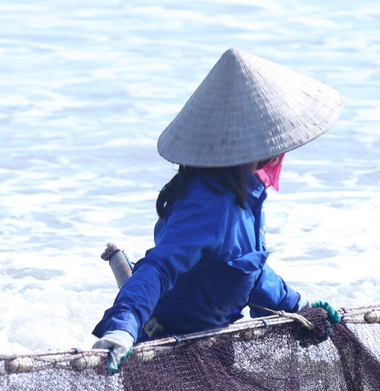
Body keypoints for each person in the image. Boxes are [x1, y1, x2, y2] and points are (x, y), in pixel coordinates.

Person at [91, 48, 342, 370]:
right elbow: (158, 269)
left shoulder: (241, 193)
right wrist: (123, 326)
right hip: (169, 358)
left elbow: (241, 267)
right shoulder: (209, 205)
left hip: (209, 354)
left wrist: (296, 304)